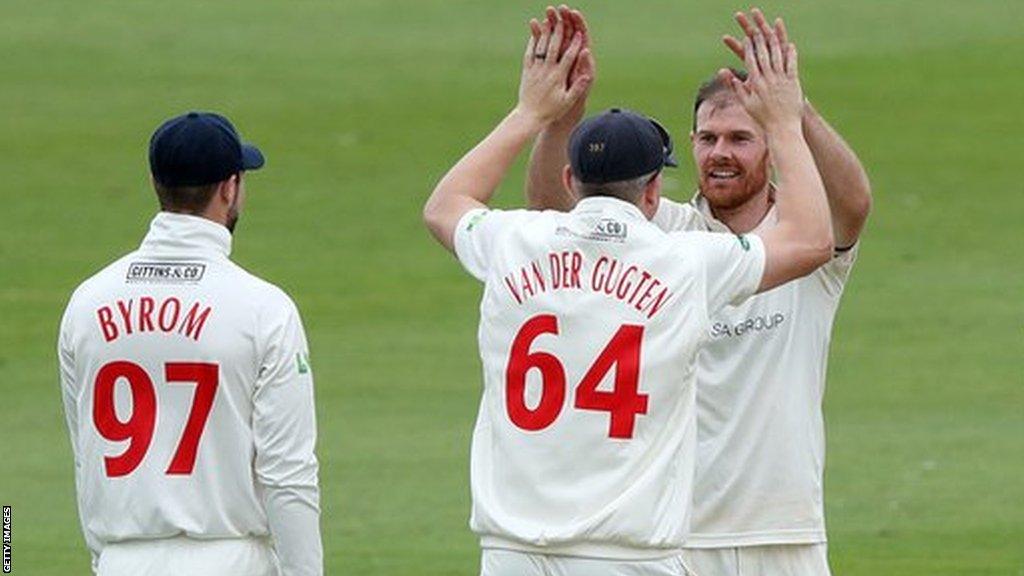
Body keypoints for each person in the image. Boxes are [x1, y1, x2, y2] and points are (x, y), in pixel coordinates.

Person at [423, 9, 833, 576]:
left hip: (511, 551)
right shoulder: (683, 262)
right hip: (626, 555)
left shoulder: (515, 240)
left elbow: (445, 206)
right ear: (652, 189)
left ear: (572, 181)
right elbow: (813, 239)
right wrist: (785, 124)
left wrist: (531, 112)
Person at [527, 7, 873, 575]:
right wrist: (563, 118)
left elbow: (854, 203)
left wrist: (794, 112)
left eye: (740, 138)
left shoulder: (804, 236)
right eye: (708, 138)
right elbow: (553, 211)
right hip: (671, 532)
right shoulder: (662, 232)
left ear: (771, 145)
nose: (721, 153)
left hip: (782, 531)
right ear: (689, 143)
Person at [57, 111, 323, 576]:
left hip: (123, 559)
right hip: (229, 558)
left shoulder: (87, 303)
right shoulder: (264, 309)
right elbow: (289, 473)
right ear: (229, 188)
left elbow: (87, 457)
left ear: (158, 183)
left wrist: (105, 559)